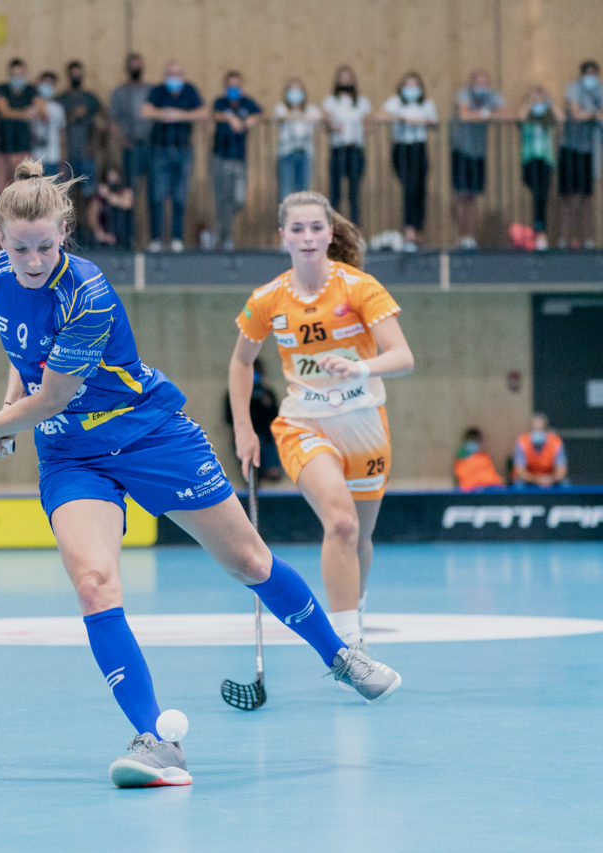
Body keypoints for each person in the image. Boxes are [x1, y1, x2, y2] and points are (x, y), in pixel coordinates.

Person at [0, 161, 402, 788]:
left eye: (44, 247)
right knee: (94, 583)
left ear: (64, 234)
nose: (32, 261)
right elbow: (27, 358)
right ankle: (156, 742)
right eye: (18, 248)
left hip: (149, 434)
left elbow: (55, 394)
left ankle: (339, 655)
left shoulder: (87, 294)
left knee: (249, 561)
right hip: (72, 455)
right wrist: (7, 413)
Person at [230, 190, 415, 654]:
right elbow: (241, 362)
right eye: (298, 229)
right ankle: (347, 646)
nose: (308, 236)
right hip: (304, 424)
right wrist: (244, 429)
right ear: (283, 237)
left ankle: (356, 608)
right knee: (342, 523)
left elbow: (402, 357)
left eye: (316, 227)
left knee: (361, 537)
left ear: (330, 234)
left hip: (364, 426)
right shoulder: (267, 299)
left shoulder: (359, 288)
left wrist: (360, 368)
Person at [141, 60, 206, 252]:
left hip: (183, 149)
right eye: (170, 74)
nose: (174, 77)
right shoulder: (158, 91)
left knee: (179, 197)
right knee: (157, 196)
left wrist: (179, 115)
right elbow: (145, 111)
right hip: (160, 149)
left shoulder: (190, 91)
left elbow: (203, 112)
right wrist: (164, 113)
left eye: (177, 74)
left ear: (182, 76)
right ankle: (156, 239)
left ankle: (177, 238)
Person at [556, 60, 603, 250]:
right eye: (588, 74)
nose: (591, 78)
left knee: (586, 197)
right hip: (570, 148)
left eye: (594, 74)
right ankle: (564, 238)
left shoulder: (602, 89)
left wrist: (589, 114)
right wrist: (595, 113)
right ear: (581, 75)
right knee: (567, 195)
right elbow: (575, 114)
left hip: (588, 150)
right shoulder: (574, 88)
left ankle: (588, 239)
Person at [381, 72, 437, 252]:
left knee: (420, 190)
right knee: (409, 189)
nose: (411, 88)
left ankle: (418, 231)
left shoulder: (426, 104)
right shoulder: (396, 102)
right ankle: (409, 231)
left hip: (419, 149)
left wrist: (422, 121)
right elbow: (381, 115)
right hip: (402, 149)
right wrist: (402, 119)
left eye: (415, 85)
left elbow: (434, 122)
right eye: (408, 85)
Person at [450, 70, 505, 249]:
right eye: (478, 82)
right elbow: (464, 115)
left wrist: (482, 115)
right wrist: (487, 114)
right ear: (471, 83)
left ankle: (470, 236)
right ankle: (461, 235)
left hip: (478, 152)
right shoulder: (464, 94)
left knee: (472, 196)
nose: (482, 86)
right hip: (461, 150)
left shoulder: (492, 97)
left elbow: (506, 114)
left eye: (485, 82)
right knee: (461, 194)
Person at [210, 71, 262, 250]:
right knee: (222, 199)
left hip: (239, 158)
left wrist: (249, 121)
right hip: (221, 157)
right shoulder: (220, 102)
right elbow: (213, 114)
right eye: (230, 85)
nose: (233, 89)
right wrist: (229, 117)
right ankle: (225, 237)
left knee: (239, 199)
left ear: (241, 87)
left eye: (236, 85)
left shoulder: (247, 103)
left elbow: (261, 113)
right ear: (225, 87)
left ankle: (219, 230)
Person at [108, 52, 153, 244]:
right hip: (131, 147)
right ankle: (130, 237)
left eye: (138, 64)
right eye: (132, 65)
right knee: (129, 194)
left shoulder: (151, 90)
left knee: (154, 195)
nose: (136, 68)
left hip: (151, 147)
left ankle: (154, 239)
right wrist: (122, 140)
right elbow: (112, 120)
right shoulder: (120, 92)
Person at [57, 60, 102, 241]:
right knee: (68, 197)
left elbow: (102, 121)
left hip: (87, 155)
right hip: (67, 155)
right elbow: (58, 125)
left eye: (79, 73)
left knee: (89, 195)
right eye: (73, 73)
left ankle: (88, 232)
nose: (76, 76)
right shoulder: (61, 100)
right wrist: (72, 115)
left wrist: (95, 145)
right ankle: (70, 234)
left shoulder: (90, 99)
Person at [321, 65, 369, 226]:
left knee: (354, 192)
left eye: (348, 78)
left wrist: (359, 127)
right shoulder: (330, 101)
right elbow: (327, 125)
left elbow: (368, 125)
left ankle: (355, 229)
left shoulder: (361, 102)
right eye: (342, 78)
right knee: (335, 192)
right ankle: (334, 229)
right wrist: (333, 126)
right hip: (338, 149)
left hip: (355, 149)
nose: (345, 81)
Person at [222, 357, 283, 484]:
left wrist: (266, 403)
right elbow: (228, 418)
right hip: (245, 437)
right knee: (251, 477)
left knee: (273, 473)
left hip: (266, 437)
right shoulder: (233, 394)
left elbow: (276, 417)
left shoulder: (266, 393)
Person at [0, 58, 42, 193]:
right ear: (9, 74)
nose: (17, 78)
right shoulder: (1, 88)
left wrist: (12, 113)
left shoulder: (31, 90)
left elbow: (38, 108)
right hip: (3, 147)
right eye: (14, 75)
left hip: (24, 146)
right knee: (2, 190)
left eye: (20, 74)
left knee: (23, 189)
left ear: (25, 74)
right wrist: (25, 114)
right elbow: (4, 111)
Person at [518, 85, 557, 251]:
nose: (538, 102)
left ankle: (540, 232)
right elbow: (520, 116)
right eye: (536, 99)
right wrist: (530, 100)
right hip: (530, 161)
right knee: (537, 195)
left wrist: (549, 101)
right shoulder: (527, 120)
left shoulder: (548, 120)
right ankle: (538, 231)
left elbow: (561, 118)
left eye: (541, 99)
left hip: (545, 161)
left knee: (542, 196)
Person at [273, 78, 321, 202]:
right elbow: (281, 116)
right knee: (286, 192)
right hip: (286, 154)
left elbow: (318, 118)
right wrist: (301, 116)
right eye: (292, 90)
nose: (295, 93)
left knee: (304, 193)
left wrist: (299, 116)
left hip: (305, 153)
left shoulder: (311, 109)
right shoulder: (281, 107)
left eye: (298, 90)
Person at [511, 413, 568, 489]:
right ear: (530, 430)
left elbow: (561, 472)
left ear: (546, 430)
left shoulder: (556, 442)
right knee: (518, 485)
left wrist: (550, 479)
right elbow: (520, 472)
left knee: (565, 484)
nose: (537, 432)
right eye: (535, 429)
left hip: (550, 478)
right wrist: (538, 480)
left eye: (540, 429)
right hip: (529, 479)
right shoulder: (522, 442)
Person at [90, 164, 134, 250]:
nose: (112, 178)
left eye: (114, 175)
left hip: (123, 235)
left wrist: (108, 195)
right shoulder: (100, 196)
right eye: (109, 175)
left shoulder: (124, 189)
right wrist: (100, 233)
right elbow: (92, 213)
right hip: (104, 235)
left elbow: (127, 204)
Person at [31, 71, 65, 177]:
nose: (47, 86)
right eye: (45, 83)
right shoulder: (32, 106)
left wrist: (63, 159)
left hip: (53, 156)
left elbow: (62, 133)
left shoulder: (58, 108)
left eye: (50, 84)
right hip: (35, 157)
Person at [454, 427, 504, 491]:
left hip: (490, 488)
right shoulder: (461, 459)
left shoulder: (484, 457)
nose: (473, 443)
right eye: (471, 440)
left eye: (476, 440)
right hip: (471, 490)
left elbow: (491, 475)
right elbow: (463, 476)